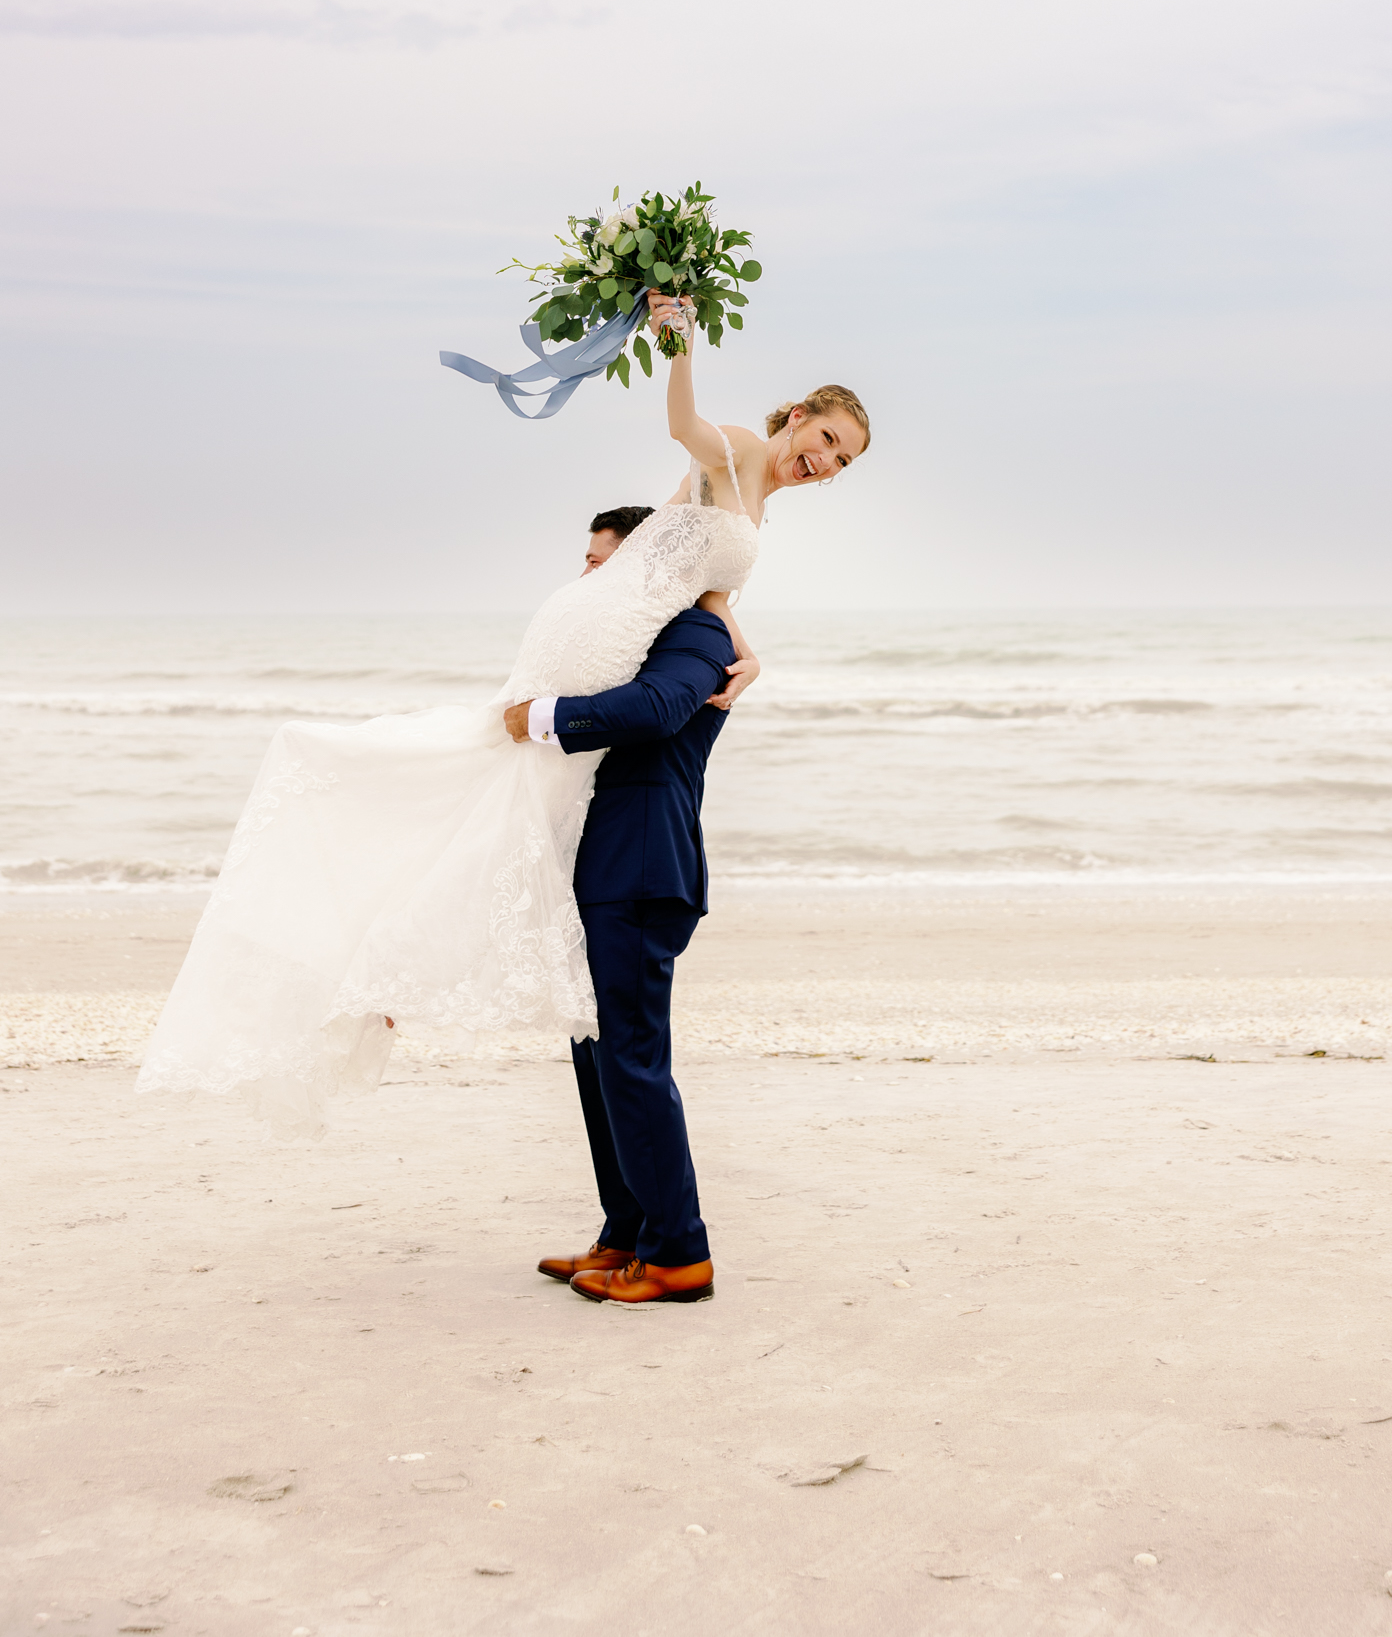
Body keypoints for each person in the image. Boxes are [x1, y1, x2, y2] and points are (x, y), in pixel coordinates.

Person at [136, 288, 869, 1136]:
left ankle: (385, 964)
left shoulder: (759, 508)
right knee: (513, 784)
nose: (827, 462)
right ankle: (384, 963)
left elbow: (709, 591)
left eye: (843, 462)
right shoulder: (737, 450)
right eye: (827, 441)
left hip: (622, 621)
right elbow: (683, 429)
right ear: (801, 417)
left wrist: (746, 650)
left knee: (515, 803)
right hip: (602, 624)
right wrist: (680, 346)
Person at [500, 512, 741, 1306]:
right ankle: (627, 1234)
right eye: (587, 562)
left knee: (632, 1060)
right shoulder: (636, 634)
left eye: (604, 562)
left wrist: (541, 717)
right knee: (596, 1055)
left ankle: (679, 1254)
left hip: (641, 866)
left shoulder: (697, 634)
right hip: (598, 866)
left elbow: (659, 708)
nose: (589, 579)